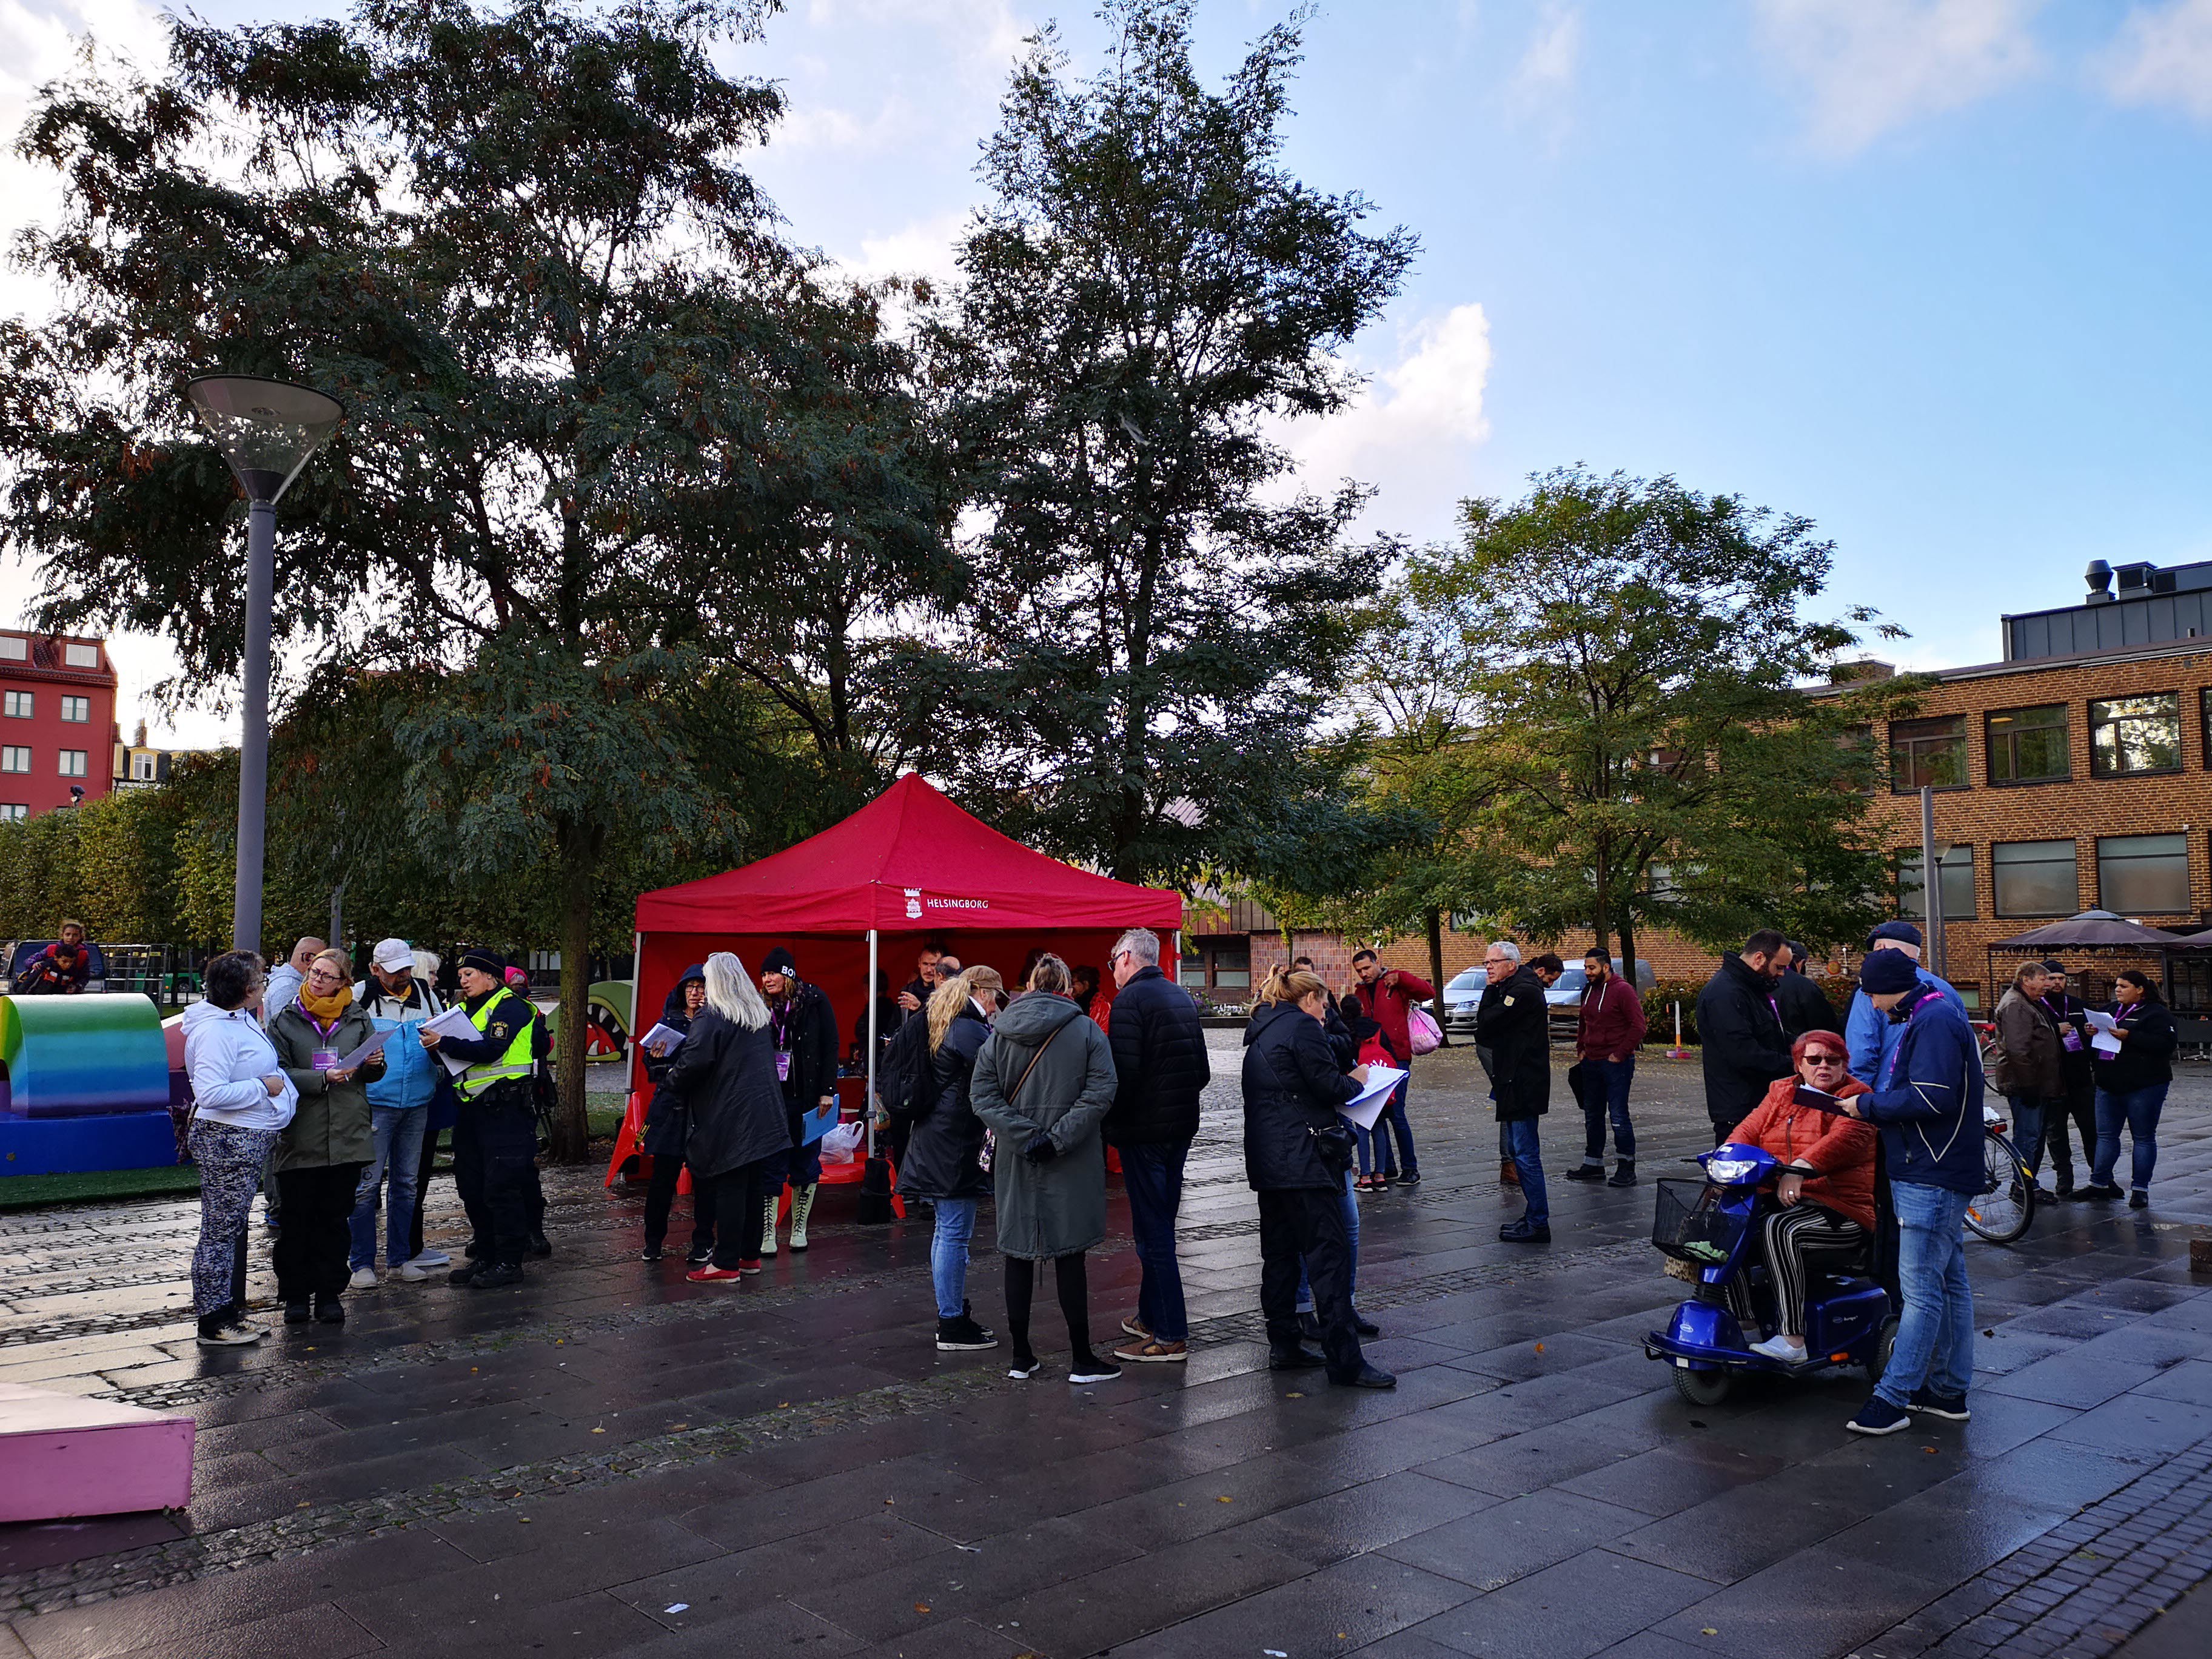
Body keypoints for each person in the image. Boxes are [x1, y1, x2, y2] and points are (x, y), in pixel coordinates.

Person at [1838, 948, 1983, 1436]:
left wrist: (1868, 1106)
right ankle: (1947, 1391)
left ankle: (1892, 1398)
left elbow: (1930, 1097)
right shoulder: (1933, 1013)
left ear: (1887, 987)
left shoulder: (1933, 1019)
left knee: (1921, 1291)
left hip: (1930, 1170)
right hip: (1935, 1167)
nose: (1874, 1007)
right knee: (1948, 1283)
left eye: (1872, 995)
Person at [1241, 967, 1393, 1389]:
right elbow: (1329, 1086)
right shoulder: (1302, 1028)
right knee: (1328, 1258)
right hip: (1305, 1163)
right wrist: (1358, 1079)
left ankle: (1285, 1344)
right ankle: (1345, 1361)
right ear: (1308, 1000)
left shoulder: (1262, 1029)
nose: (1326, 1012)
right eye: (1324, 1004)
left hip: (1270, 1163)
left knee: (1280, 1258)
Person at [973, 954, 1121, 1382]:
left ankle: (1021, 1356)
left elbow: (982, 1097)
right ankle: (1081, 1358)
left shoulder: (998, 1034)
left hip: (1017, 1160)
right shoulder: (1087, 1030)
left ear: (1031, 984)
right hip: (1069, 1158)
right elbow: (1101, 1092)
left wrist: (1022, 1136)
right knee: (1070, 1256)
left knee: (1017, 1255)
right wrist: (1056, 1140)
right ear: (1068, 987)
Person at [1724, 1031, 1879, 1364]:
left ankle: (1793, 1339)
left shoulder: (1857, 1098)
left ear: (1844, 1064)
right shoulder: (1782, 1092)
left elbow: (1840, 1142)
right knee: (1724, 1224)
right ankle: (1743, 1317)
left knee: (1781, 1229)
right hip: (1785, 1198)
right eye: (1814, 1060)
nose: (1823, 1066)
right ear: (1799, 1064)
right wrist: (1725, 1155)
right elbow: (1750, 1128)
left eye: (1832, 1060)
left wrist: (1800, 1169)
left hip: (1841, 1208)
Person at [1101, 927, 1210, 1364]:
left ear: (1127, 957)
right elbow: (1200, 1071)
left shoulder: (1130, 1001)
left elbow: (1122, 1078)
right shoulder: (1179, 995)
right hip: (1178, 1128)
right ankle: (1150, 1315)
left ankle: (1170, 1332)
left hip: (1144, 1132)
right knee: (1159, 1222)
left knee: (1155, 1232)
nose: (1113, 971)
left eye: (1113, 962)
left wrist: (1111, 1122)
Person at [183, 953, 298, 1346]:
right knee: (219, 1232)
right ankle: (213, 1320)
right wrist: (263, 1089)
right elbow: (211, 1093)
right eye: (261, 980)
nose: (265, 984)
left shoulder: (237, 1020)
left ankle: (225, 1311)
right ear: (246, 991)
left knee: (227, 1229)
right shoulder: (216, 1031)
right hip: (228, 1140)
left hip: (243, 1138)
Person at [269, 948, 384, 1324]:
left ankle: (330, 1294)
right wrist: (320, 1078)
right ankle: (296, 1296)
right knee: (297, 1219)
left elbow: (372, 1073)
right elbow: (276, 1071)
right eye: (314, 972)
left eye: (327, 976)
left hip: (348, 1134)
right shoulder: (286, 1019)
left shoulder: (357, 1016)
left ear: (344, 983)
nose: (316, 979)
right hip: (301, 1134)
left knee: (334, 1219)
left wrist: (374, 1066)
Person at [662, 953, 791, 1281]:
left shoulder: (713, 1016)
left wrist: (670, 1078)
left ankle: (726, 1263)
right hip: (764, 1114)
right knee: (753, 1188)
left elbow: (694, 1063)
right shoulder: (757, 1014)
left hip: (731, 1116)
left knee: (731, 1189)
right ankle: (749, 1256)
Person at [897, 965, 1004, 1350]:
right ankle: (952, 1322)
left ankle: (953, 1312)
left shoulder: (946, 1018)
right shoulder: (968, 1026)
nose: (996, 1006)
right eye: (996, 996)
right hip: (954, 1144)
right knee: (955, 1234)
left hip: (937, 1139)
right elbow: (997, 1073)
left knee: (947, 1232)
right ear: (982, 992)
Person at [420, 949, 541, 1289]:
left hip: (506, 1111)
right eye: (460, 976)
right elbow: (458, 1060)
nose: (463, 980)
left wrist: (446, 1042)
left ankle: (508, 1261)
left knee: (502, 1188)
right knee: (471, 1187)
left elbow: (492, 1049)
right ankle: (486, 1257)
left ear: (491, 976)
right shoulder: (463, 1010)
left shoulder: (510, 1006)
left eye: (470, 974)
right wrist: (436, 1048)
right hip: (472, 1110)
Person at [346, 939, 446, 1287]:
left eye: (406, 968)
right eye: (394, 971)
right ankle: (361, 1263)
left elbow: (439, 1034)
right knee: (366, 1186)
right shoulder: (359, 994)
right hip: (375, 1102)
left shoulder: (425, 993)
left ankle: (400, 1259)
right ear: (375, 970)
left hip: (417, 1101)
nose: (403, 976)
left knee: (406, 1184)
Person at [757, 947, 839, 1256]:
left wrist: (827, 1090)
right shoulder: (760, 1007)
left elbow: (831, 1045)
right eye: (764, 974)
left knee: (806, 1162)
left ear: (788, 974)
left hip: (808, 1099)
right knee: (771, 1162)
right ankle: (768, 1234)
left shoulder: (815, 1001)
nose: (768, 979)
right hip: (773, 1100)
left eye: (773, 972)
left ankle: (799, 1230)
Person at [638, 964, 714, 1263]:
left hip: (703, 1110)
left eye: (701, 986)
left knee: (705, 1180)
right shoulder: (668, 1022)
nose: (695, 992)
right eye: (690, 987)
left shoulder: (715, 1021)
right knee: (662, 1180)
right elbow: (651, 1069)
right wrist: (657, 1062)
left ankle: (704, 1241)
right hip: (671, 1110)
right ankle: (653, 1241)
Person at [1476, 942, 1552, 1244]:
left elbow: (1485, 1025)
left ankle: (1538, 1222)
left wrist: (1491, 992)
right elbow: (1487, 1027)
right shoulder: (1512, 987)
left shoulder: (1523, 991)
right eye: (1486, 963)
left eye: (1494, 962)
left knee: (1526, 1154)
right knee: (1522, 1152)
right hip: (1514, 1080)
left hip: (1523, 1083)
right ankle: (1534, 1216)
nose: (1489, 967)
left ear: (1512, 963)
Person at [2083, 968, 2177, 1208]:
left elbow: (2166, 1044)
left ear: (2140, 989)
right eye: (2117, 985)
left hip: (2144, 1085)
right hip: (2108, 1084)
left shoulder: (2157, 1014)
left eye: (2123, 986)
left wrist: (2130, 1037)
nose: (2118, 990)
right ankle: (2099, 1183)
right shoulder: (2112, 1010)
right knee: (2105, 1136)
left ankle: (2140, 1189)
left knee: (2143, 1138)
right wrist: (2091, 1031)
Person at [1695, 930, 1795, 1144]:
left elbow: (1771, 1034)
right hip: (1740, 1109)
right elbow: (1742, 1053)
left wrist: (1805, 1047)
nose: (1782, 974)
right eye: (1779, 967)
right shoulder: (1726, 993)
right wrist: (1795, 1064)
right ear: (1759, 958)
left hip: (1755, 1103)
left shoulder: (1750, 988)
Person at [1348, 948, 1435, 1188]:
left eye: (1366, 968)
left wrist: (1402, 978)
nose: (1363, 973)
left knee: (1397, 1114)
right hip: (1371, 1059)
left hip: (1397, 1058)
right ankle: (1388, 1167)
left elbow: (1429, 992)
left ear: (1377, 962)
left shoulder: (1395, 982)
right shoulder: (1360, 991)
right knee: (1377, 1113)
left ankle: (1411, 1169)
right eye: (1359, 971)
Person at [1845, 922, 1965, 1088]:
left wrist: (1859, 1099)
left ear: (1881, 947)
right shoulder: (1947, 990)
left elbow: (1861, 1051)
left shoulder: (1873, 986)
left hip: (1886, 1097)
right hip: (1940, 1094)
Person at [1567, 948, 1646, 1187]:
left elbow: (1638, 1025)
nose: (1587, 972)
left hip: (1615, 1063)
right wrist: (1581, 1048)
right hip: (1591, 1060)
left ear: (1606, 967)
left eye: (1591, 968)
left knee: (1619, 1115)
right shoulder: (1588, 990)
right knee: (1593, 1115)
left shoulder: (1623, 991)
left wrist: (1620, 1053)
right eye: (1586, 968)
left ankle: (1626, 1167)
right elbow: (1583, 1021)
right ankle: (1593, 1164)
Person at [1989, 960, 2063, 1204]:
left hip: (2036, 1083)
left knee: (2033, 1136)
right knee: (2027, 1137)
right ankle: (2023, 1185)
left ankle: (2026, 1183)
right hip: (2026, 1085)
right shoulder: (2016, 1006)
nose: (2049, 984)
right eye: (2043, 979)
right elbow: (2018, 1051)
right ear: (2027, 980)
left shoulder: (2028, 1002)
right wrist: (2029, 1086)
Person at [2037, 960, 2099, 1198]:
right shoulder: (2037, 1007)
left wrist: (2092, 1034)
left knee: (2091, 1130)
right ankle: (2064, 1177)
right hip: (2052, 1081)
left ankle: (2099, 1177)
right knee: (2057, 1133)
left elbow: (2092, 1039)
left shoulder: (2078, 1005)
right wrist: (2055, 1028)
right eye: (2051, 978)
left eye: (2060, 979)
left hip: (2080, 1078)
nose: (2056, 983)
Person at [1775, 942, 1843, 1040]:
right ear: (1801, 963)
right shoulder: (1805, 986)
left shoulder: (1762, 981)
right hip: (1803, 1047)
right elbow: (1825, 1026)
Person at [17, 919, 92, 994]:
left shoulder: (83, 954)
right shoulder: (51, 949)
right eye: (68, 934)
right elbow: (29, 960)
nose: (71, 938)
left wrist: (78, 986)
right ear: (62, 935)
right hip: (43, 989)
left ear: (80, 937)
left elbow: (85, 976)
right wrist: (34, 964)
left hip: (66, 991)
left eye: (75, 935)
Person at [264, 936, 327, 1021]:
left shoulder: (289, 984)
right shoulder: (288, 988)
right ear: (307, 958)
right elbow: (286, 1029)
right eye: (322, 960)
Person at [896, 944, 946, 1019]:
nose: (929, 970)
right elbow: (894, 1027)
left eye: (933, 965)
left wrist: (919, 1008)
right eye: (925, 964)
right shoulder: (907, 993)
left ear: (941, 966)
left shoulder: (945, 994)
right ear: (919, 963)